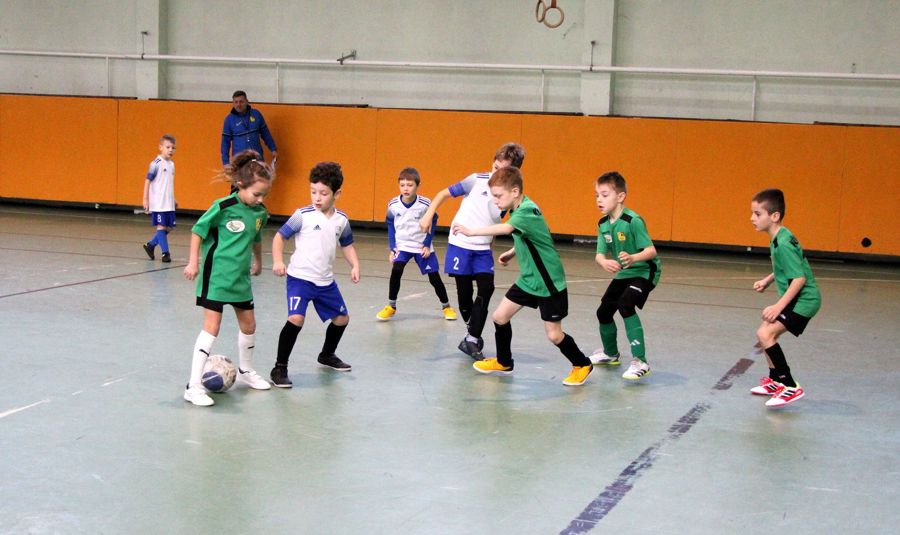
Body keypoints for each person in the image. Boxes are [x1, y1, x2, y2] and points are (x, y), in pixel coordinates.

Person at [452, 167, 594, 386]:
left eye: (498, 196)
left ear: (515, 191)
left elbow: (507, 229)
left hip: (548, 281)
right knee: (500, 317)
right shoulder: (521, 208)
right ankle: (504, 362)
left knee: (554, 335)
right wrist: (512, 252)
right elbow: (536, 234)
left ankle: (582, 364)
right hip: (529, 279)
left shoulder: (526, 211)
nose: (495, 201)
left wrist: (471, 231)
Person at [182, 150, 274, 407]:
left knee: (249, 325)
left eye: (264, 195)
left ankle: (246, 371)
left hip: (240, 279)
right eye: (256, 194)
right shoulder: (223, 207)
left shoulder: (260, 213)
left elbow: (256, 239)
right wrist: (193, 262)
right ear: (240, 185)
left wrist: (259, 261)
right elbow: (197, 231)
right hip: (216, 277)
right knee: (212, 327)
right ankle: (193, 386)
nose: (260, 199)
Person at [419, 142, 525, 360]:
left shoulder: (509, 197)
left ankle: (472, 338)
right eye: (495, 167)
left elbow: (495, 223)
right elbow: (443, 194)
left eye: (502, 171)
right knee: (465, 297)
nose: (496, 174)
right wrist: (429, 214)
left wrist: (493, 248)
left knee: (487, 288)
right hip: (460, 244)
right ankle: (472, 331)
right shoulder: (476, 180)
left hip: (482, 248)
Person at [270, 161, 361, 388]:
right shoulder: (303, 215)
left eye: (323, 193)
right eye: (313, 192)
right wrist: (278, 261)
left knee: (342, 319)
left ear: (336, 194)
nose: (317, 198)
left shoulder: (342, 220)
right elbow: (280, 237)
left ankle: (327, 354)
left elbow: (347, 245)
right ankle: (279, 367)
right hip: (300, 278)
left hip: (325, 282)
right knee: (296, 318)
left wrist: (355, 265)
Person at [749, 188, 820, 408]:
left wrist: (778, 306)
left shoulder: (784, 244)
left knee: (766, 333)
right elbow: (785, 267)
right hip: (798, 298)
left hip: (804, 301)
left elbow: (799, 278)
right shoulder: (779, 237)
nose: (752, 218)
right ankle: (775, 381)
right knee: (764, 332)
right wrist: (768, 280)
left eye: (757, 214)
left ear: (774, 216)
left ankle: (789, 386)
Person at [591, 171, 661, 381]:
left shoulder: (633, 221)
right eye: (597, 195)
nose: (599, 200)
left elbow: (651, 251)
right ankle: (611, 353)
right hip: (625, 273)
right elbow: (599, 255)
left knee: (626, 303)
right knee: (603, 312)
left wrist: (633, 257)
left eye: (604, 195)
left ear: (620, 196)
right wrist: (604, 262)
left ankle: (641, 361)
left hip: (645, 270)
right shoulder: (603, 224)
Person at [376, 167, 457, 321]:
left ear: (417, 185)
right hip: (403, 245)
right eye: (402, 185)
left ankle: (447, 307)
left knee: (434, 277)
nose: (405, 188)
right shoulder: (393, 204)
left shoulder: (425, 204)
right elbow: (390, 223)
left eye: (410, 185)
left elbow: (433, 220)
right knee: (396, 270)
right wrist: (393, 247)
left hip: (421, 246)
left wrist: (427, 244)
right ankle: (391, 306)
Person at [221, 91, 278, 192]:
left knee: (257, 187)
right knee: (237, 189)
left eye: (241, 101)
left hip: (257, 159)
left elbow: (265, 133)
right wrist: (226, 162)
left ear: (247, 101)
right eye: (236, 102)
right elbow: (225, 143)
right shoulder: (229, 120)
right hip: (239, 161)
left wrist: (273, 148)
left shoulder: (256, 114)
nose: (238, 104)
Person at [141, 134, 177, 263]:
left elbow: (168, 184)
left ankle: (150, 245)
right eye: (168, 147)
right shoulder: (155, 164)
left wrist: (173, 198)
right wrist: (145, 198)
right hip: (159, 203)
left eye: (173, 148)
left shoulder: (171, 164)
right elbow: (147, 181)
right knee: (161, 227)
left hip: (168, 203)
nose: (170, 150)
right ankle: (165, 253)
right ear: (160, 147)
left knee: (170, 227)